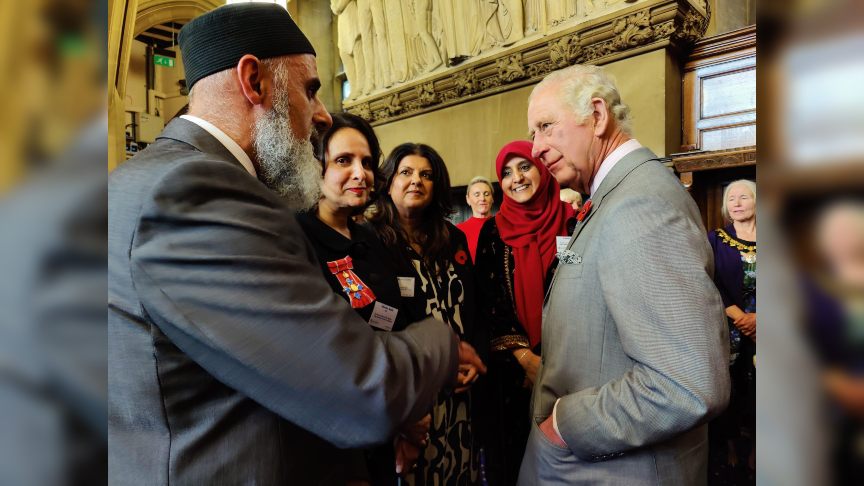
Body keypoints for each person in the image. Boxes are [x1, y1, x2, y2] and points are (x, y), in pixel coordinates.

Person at [107, 4, 485, 485]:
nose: (323, 114)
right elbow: (358, 388)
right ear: (254, 81)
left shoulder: (136, 179)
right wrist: (443, 342)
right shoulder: (199, 190)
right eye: (310, 90)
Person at [519, 64, 730, 485]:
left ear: (597, 116)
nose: (535, 149)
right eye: (533, 134)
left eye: (546, 127)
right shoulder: (619, 194)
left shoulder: (639, 204)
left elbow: (685, 384)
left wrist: (565, 425)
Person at [296, 112, 431, 483]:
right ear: (315, 167)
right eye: (344, 161)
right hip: (332, 444)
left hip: (390, 428)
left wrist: (413, 410)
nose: (361, 173)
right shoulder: (296, 240)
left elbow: (405, 320)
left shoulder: (373, 237)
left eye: (367, 162)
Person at [371, 143, 484, 485]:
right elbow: (378, 323)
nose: (416, 180)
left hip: (461, 393)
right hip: (413, 398)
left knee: (460, 471)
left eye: (426, 175)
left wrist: (472, 360)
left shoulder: (452, 238)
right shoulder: (373, 242)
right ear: (389, 182)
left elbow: (474, 306)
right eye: (405, 172)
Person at [473, 140, 575, 486]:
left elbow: (585, 292)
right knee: (514, 464)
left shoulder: (574, 224)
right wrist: (524, 357)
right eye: (505, 172)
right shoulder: (493, 230)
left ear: (543, 170)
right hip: (512, 375)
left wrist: (553, 361)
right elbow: (488, 299)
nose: (515, 178)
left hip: (572, 372)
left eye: (524, 167)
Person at [707, 179, 757, 485]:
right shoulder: (716, 239)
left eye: (744, 197)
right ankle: (729, 447)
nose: (736, 203)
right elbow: (707, 278)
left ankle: (758, 449)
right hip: (729, 327)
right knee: (729, 390)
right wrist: (739, 315)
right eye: (731, 198)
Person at [457, 175, 495, 262]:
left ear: (492, 198)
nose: (482, 198)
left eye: (487, 194)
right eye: (477, 195)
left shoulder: (503, 226)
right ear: (468, 199)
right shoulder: (458, 231)